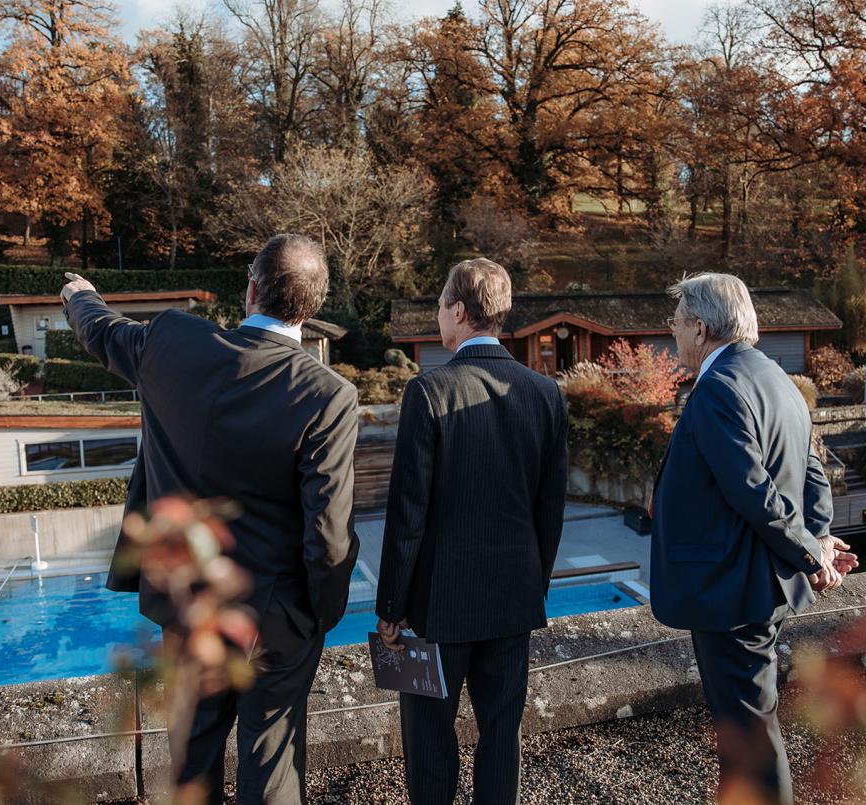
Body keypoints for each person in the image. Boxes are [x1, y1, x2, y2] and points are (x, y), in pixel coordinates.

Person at [60, 234, 360, 804]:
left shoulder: (173, 342)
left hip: (187, 605)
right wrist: (318, 618)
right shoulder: (329, 395)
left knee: (190, 766)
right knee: (271, 768)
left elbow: (99, 331)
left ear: (250, 289)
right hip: (277, 616)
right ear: (314, 306)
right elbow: (328, 531)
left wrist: (80, 295)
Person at [651, 272, 859, 805]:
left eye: (675, 323)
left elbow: (753, 491)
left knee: (748, 733)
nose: (671, 333)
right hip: (754, 583)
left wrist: (812, 551)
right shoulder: (776, 378)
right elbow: (813, 469)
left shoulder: (719, 388)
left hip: (731, 589)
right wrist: (820, 534)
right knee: (745, 726)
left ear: (699, 328)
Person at [375, 258, 569, 805]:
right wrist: (536, 585)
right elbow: (549, 511)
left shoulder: (429, 391)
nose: (439, 316)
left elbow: (407, 513)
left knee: (430, 742)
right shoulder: (545, 394)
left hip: (437, 605)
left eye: (440, 306)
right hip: (513, 597)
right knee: (502, 737)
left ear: (459, 312)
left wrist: (391, 605)